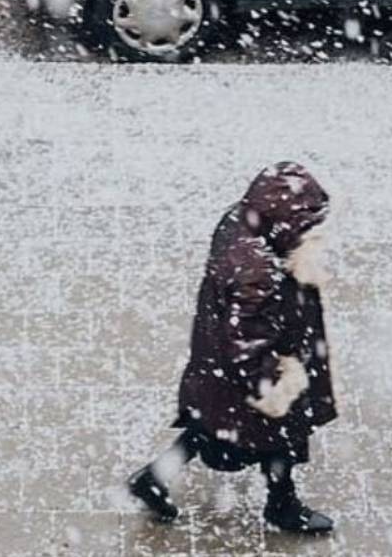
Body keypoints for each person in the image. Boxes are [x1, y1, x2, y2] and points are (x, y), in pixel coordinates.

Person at [127, 162, 340, 534]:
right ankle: (282, 505)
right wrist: (274, 386)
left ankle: (154, 478)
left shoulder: (242, 221)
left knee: (209, 425)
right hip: (253, 370)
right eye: (305, 225)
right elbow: (247, 342)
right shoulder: (257, 271)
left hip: (217, 366)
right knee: (280, 435)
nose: (312, 232)